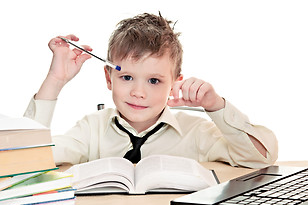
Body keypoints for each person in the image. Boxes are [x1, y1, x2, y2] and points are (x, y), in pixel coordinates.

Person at [24, 13, 278, 168]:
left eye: (154, 81)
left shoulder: (196, 132)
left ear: (174, 83)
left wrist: (216, 106)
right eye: (127, 77)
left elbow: (260, 158)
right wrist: (55, 80)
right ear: (109, 77)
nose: (138, 92)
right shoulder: (91, 129)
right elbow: (23, 160)